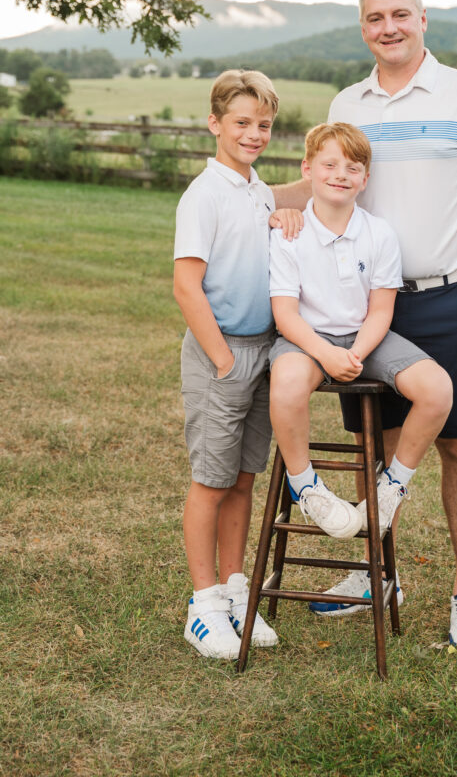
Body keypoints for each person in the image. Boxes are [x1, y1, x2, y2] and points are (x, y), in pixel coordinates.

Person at [276, 0, 457, 653]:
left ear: (423, 20)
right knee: (377, 447)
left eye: (399, 15)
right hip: (365, 307)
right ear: (362, 27)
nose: (387, 27)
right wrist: (256, 195)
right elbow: (323, 178)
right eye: (373, 18)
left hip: (454, 297)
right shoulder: (348, 102)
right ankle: (374, 575)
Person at [268, 122, 452, 551]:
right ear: (308, 169)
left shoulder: (379, 233)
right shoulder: (289, 232)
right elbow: (285, 316)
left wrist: (356, 354)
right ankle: (306, 485)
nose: (340, 175)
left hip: (366, 336)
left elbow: (381, 310)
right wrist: (325, 354)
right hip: (305, 337)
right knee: (288, 383)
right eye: (329, 164)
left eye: (352, 168)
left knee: (437, 388)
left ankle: (392, 487)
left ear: (365, 179)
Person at [173, 69, 300, 660]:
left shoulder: (257, 190)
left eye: (264, 125)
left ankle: (232, 591)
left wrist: (294, 209)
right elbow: (186, 285)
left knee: (245, 479)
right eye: (243, 123)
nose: (254, 134)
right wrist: (223, 359)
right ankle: (202, 605)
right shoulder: (205, 194)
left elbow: (283, 210)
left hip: (265, 351)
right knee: (211, 481)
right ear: (215, 123)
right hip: (221, 354)